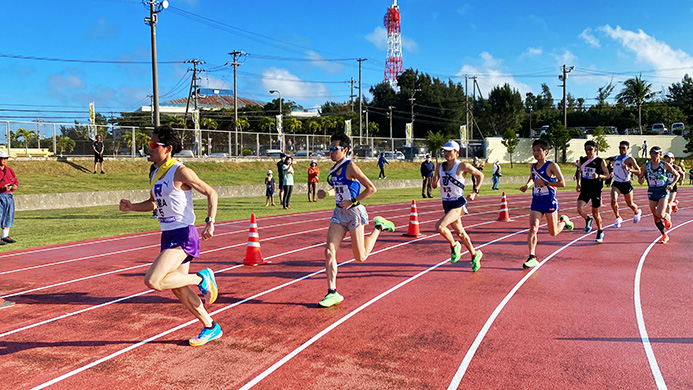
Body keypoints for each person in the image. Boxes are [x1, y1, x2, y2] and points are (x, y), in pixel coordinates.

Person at [119, 125, 221, 346]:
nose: (150, 148)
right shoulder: (155, 172)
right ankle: (211, 326)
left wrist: (210, 222)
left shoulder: (180, 171)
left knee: (153, 280)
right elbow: (153, 204)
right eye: (150, 144)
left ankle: (202, 279)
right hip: (167, 235)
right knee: (177, 288)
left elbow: (211, 192)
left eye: (155, 144)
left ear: (168, 149)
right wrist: (131, 207)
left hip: (184, 234)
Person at [319, 133, 396, 307]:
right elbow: (339, 189)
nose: (330, 152)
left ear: (344, 150)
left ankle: (379, 226)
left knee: (360, 256)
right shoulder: (334, 169)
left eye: (334, 149)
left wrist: (353, 201)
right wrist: (327, 193)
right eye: (329, 149)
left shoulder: (351, 166)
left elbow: (371, 188)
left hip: (354, 212)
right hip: (339, 213)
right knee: (329, 251)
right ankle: (332, 292)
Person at [519, 139, 574, 269]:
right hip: (537, 201)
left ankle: (564, 222)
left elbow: (562, 183)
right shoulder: (532, 167)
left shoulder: (552, 166)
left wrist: (546, 183)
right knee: (533, 228)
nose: (536, 153)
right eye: (534, 150)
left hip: (549, 200)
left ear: (546, 151)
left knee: (553, 232)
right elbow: (533, 178)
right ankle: (532, 257)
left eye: (538, 150)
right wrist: (527, 186)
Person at [431, 140, 484, 271]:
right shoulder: (439, 166)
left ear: (456, 152)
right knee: (460, 232)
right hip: (446, 203)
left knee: (440, 226)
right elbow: (435, 182)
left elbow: (480, 175)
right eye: (444, 150)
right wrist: (434, 183)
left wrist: (474, 191)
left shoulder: (462, 166)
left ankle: (454, 246)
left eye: (449, 151)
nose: (446, 153)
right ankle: (474, 254)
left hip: (458, 203)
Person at [637, 146, 680, 244]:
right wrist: (640, 179)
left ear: (660, 155)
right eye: (652, 153)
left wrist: (672, 184)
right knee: (655, 216)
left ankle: (666, 216)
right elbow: (640, 179)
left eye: (656, 153)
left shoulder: (665, 165)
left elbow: (677, 175)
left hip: (662, 191)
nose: (654, 155)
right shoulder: (646, 166)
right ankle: (664, 235)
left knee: (660, 214)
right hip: (652, 191)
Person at [576, 140, 609, 242]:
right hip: (585, 189)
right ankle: (587, 219)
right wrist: (578, 183)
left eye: (590, 149)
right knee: (579, 208)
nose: (588, 152)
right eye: (586, 149)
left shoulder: (600, 161)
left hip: (595, 190)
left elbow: (608, 175)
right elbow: (580, 173)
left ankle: (600, 231)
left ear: (595, 150)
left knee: (595, 213)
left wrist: (599, 176)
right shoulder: (582, 160)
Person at [609, 141, 642, 228]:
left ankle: (637, 211)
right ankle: (618, 217)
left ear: (627, 148)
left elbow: (638, 171)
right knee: (613, 200)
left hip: (626, 183)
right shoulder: (616, 158)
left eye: (623, 148)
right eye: (620, 148)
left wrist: (629, 169)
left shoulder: (630, 159)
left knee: (629, 204)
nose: (621, 150)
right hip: (616, 183)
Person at [0, 150, 18, 245]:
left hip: (9, 195)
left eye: (6, 158)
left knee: (8, 216)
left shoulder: (10, 170)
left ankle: (5, 236)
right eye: (2, 158)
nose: (4, 160)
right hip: (0, 195)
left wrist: (14, 186)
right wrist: (2, 188)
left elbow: (15, 182)